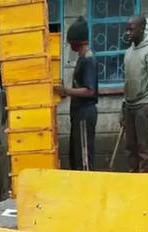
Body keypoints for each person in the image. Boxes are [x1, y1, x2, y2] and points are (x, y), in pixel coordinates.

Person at [55, 17, 98, 171]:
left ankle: (87, 185)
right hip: (78, 114)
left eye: (70, 41)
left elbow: (90, 90)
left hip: (85, 114)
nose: (69, 45)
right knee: (75, 156)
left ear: (76, 42)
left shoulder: (88, 59)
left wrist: (66, 90)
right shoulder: (82, 58)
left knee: (84, 158)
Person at [120, 15, 148, 172]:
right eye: (127, 29)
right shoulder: (128, 52)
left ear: (142, 28)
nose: (128, 33)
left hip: (144, 105)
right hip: (129, 105)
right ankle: (133, 177)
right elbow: (127, 82)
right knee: (129, 147)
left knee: (143, 148)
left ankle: (145, 179)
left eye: (131, 29)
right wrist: (122, 108)